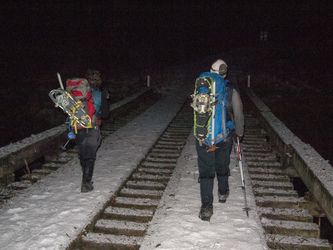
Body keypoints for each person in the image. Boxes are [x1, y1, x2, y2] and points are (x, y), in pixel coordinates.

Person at [195, 59, 244, 221]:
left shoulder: (202, 85)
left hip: (203, 137)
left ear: (211, 71)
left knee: (206, 172)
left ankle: (206, 207)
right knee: (222, 165)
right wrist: (239, 133)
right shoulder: (230, 89)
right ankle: (223, 192)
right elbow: (238, 114)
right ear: (225, 73)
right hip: (223, 138)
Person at [73, 69, 109, 193]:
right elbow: (105, 114)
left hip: (78, 126)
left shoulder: (78, 93)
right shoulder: (100, 93)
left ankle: (85, 178)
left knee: (83, 153)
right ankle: (86, 183)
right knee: (90, 155)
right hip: (92, 126)